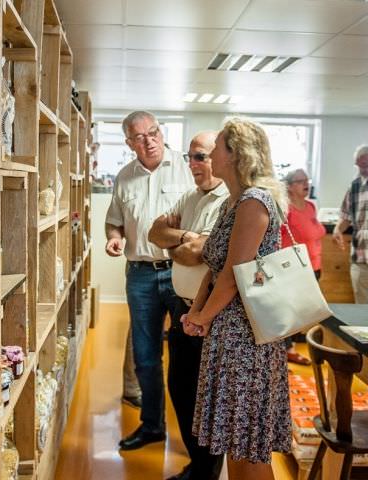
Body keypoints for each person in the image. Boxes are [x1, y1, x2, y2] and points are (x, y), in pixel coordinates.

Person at [182, 118, 291, 480]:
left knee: (248, 447)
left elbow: (234, 276)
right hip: (228, 335)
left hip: (246, 339)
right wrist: (197, 311)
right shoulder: (234, 202)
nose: (211, 152)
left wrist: (202, 318)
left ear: (235, 155)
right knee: (235, 440)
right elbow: (214, 269)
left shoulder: (254, 201)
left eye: (219, 146)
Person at [105, 111, 194, 450]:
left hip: (179, 272)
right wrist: (114, 238)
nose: (149, 140)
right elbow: (115, 222)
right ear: (129, 143)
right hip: (141, 275)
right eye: (140, 137)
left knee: (187, 356)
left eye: (153, 132)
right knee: (145, 356)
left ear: (161, 131)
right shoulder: (124, 177)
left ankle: (194, 435)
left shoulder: (186, 168)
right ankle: (153, 426)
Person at [148, 131, 228, 480]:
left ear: (220, 159)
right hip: (184, 310)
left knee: (205, 396)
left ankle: (207, 471)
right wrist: (184, 236)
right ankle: (197, 466)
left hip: (211, 313)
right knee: (180, 388)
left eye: (200, 157)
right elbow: (155, 232)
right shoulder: (191, 198)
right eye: (190, 157)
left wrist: (185, 244)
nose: (192, 164)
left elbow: (197, 255)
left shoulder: (228, 201)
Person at [281, 168, 326, 365]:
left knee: (300, 310)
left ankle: (287, 346)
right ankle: (286, 349)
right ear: (289, 186)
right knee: (288, 310)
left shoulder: (310, 207)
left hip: (314, 264)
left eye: (307, 180)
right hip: (293, 267)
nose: (306, 184)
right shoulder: (285, 208)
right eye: (300, 181)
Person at [333, 145, 368, 303]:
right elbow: (345, 216)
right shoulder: (354, 186)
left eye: (365, 164)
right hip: (360, 256)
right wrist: (337, 229)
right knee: (362, 306)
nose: (362, 169)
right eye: (359, 165)